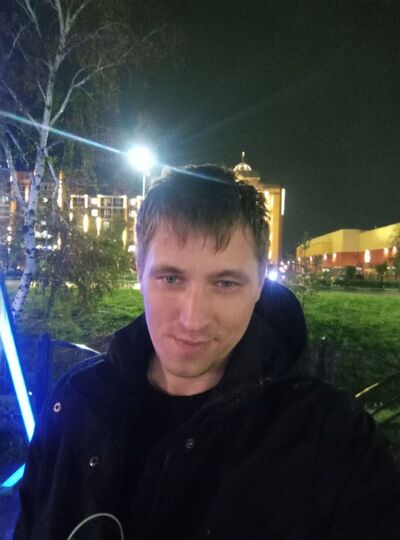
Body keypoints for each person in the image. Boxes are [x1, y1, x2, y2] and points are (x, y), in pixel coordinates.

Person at [14, 165, 400, 540]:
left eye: (226, 283)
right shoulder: (74, 403)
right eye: (171, 278)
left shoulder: (335, 440)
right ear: (139, 270)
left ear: (260, 283)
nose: (193, 319)